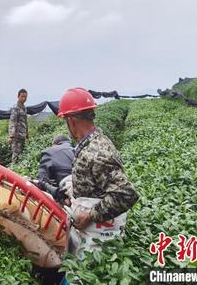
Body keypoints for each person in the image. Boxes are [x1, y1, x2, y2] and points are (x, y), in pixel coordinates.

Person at [57, 87, 138, 252]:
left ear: (71, 121)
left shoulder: (97, 152)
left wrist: (91, 215)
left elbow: (126, 194)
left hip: (98, 241)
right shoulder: (91, 142)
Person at [8, 88, 29, 163]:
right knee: (16, 154)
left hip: (22, 135)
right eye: (22, 96)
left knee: (21, 154)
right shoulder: (15, 108)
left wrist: (27, 133)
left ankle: (19, 170)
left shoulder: (24, 108)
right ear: (18, 97)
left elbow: (25, 121)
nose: (24, 98)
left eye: (25, 97)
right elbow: (13, 122)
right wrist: (11, 136)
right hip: (16, 136)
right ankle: (13, 169)